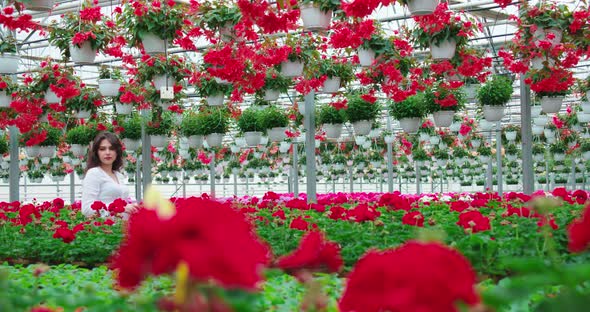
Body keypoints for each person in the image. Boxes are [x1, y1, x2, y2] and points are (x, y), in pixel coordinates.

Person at [81, 131, 138, 217]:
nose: (107, 152)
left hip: (121, 227)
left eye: (111, 148)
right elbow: (86, 209)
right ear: (96, 153)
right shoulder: (94, 173)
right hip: (103, 228)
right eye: (102, 149)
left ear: (117, 152)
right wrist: (117, 208)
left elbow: (124, 205)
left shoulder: (119, 175)